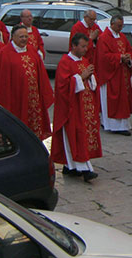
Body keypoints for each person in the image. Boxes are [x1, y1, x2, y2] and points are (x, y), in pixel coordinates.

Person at [51, 32, 102, 183]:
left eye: (87, 46)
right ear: (73, 46)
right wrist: (81, 77)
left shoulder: (84, 61)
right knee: (76, 136)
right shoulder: (65, 62)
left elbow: (91, 81)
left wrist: (90, 76)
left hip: (85, 108)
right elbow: (62, 87)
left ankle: (70, 167)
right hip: (72, 108)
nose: (86, 49)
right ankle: (86, 169)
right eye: (83, 46)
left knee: (79, 137)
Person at [0, 24, 53, 140]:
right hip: (16, 99)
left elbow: (41, 75)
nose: (24, 39)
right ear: (13, 37)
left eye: (26, 36)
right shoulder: (4, 55)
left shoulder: (32, 51)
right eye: (21, 37)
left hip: (34, 99)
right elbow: (0, 83)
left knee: (34, 131)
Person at [95, 15, 132, 135]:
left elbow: (129, 50)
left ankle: (123, 124)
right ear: (112, 24)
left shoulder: (122, 37)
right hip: (111, 75)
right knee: (113, 101)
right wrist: (119, 57)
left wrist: (128, 57)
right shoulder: (104, 38)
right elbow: (103, 58)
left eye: (122, 25)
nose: (121, 28)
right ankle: (114, 126)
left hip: (122, 74)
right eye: (119, 26)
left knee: (123, 100)